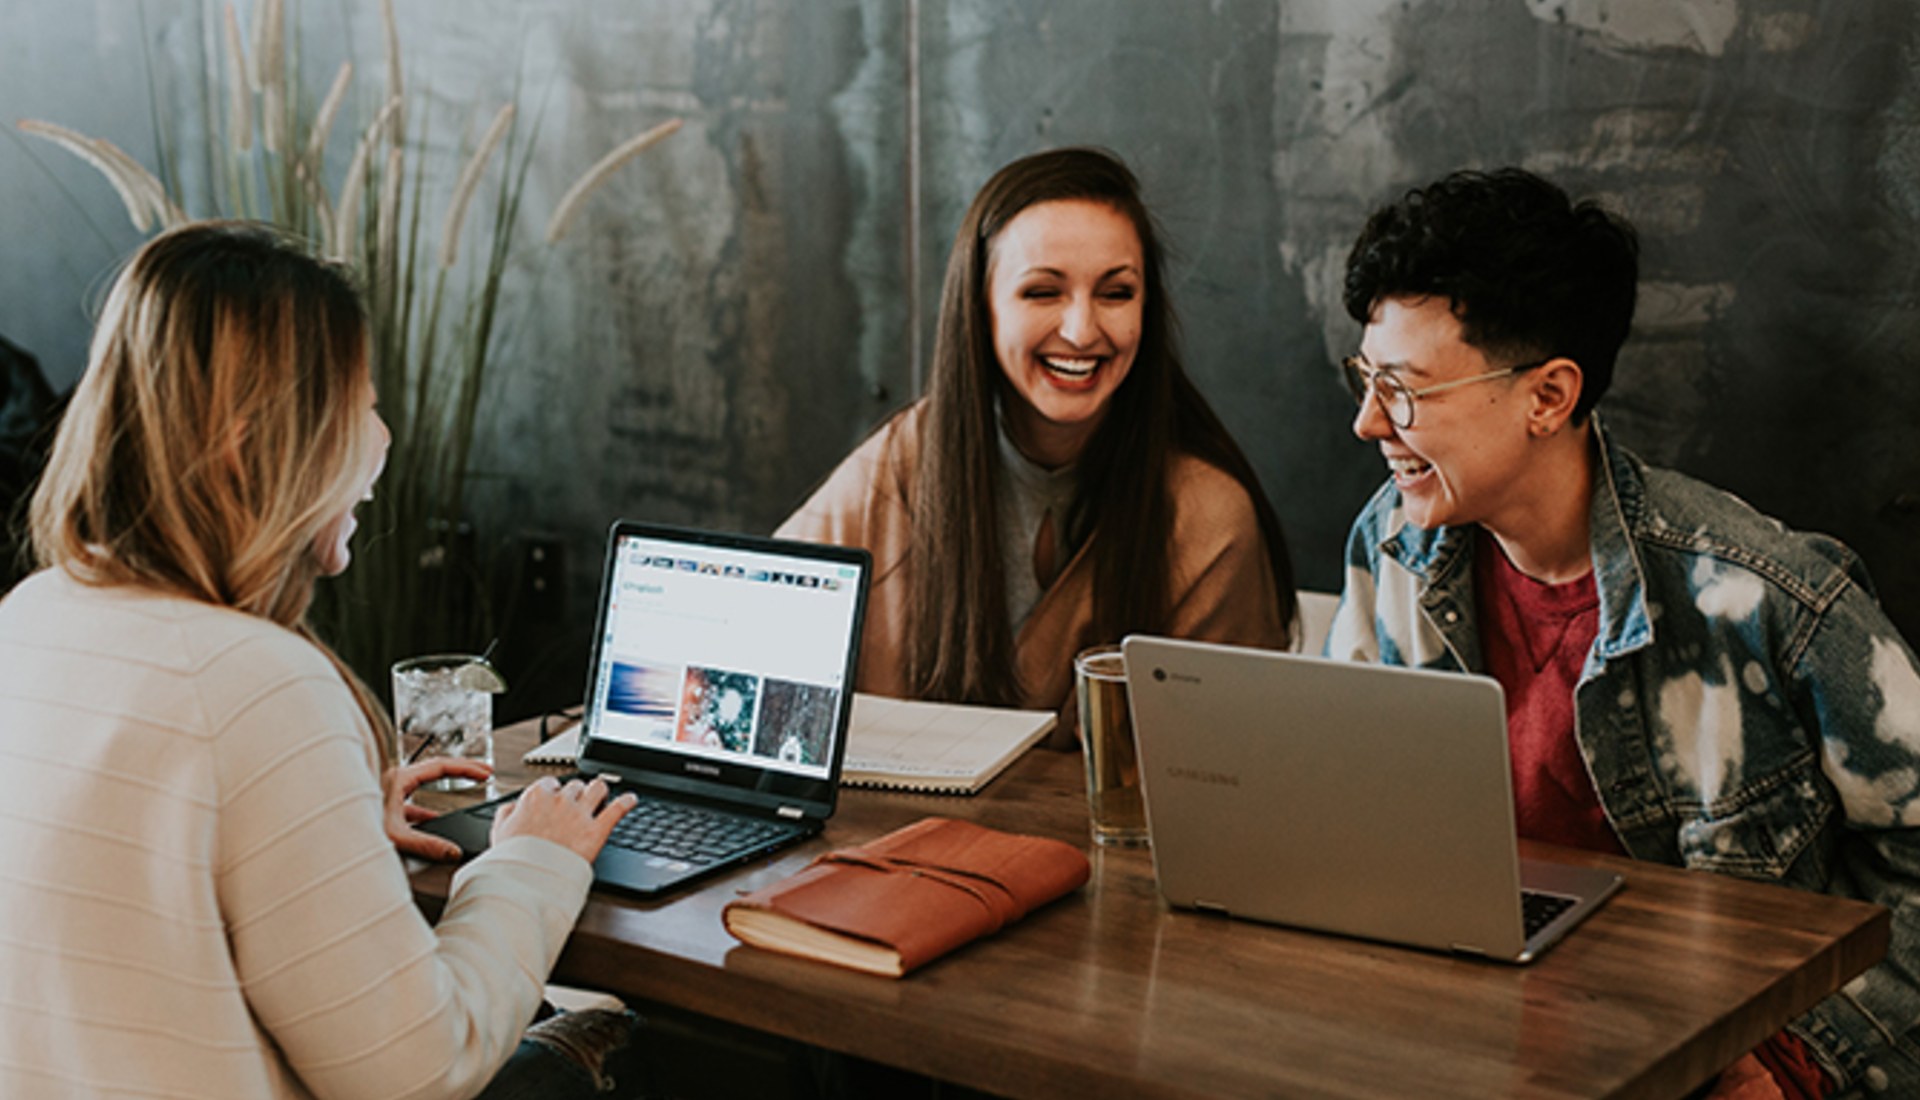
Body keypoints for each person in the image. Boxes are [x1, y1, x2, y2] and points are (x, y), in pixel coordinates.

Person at [0, 222, 647, 1099]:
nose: (381, 441)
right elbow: (422, 1069)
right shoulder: (257, 683)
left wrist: (323, 823)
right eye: (360, 406)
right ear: (248, 443)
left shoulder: (32, 614)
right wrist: (532, 861)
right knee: (621, 1042)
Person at [1326, 167, 1920, 1098]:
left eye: (1403, 392)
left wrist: (1802, 1060)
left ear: (1549, 397)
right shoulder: (1393, 543)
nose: (1368, 423)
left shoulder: (1763, 596)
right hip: (1470, 1034)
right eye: (1366, 380)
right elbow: (1345, 814)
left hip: (1707, 1057)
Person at [779, 147, 1295, 735]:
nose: (1081, 331)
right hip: (902, 827)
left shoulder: (1208, 519)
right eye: (1043, 293)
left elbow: (1225, 770)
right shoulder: (904, 461)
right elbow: (753, 634)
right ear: (982, 307)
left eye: (1116, 293)